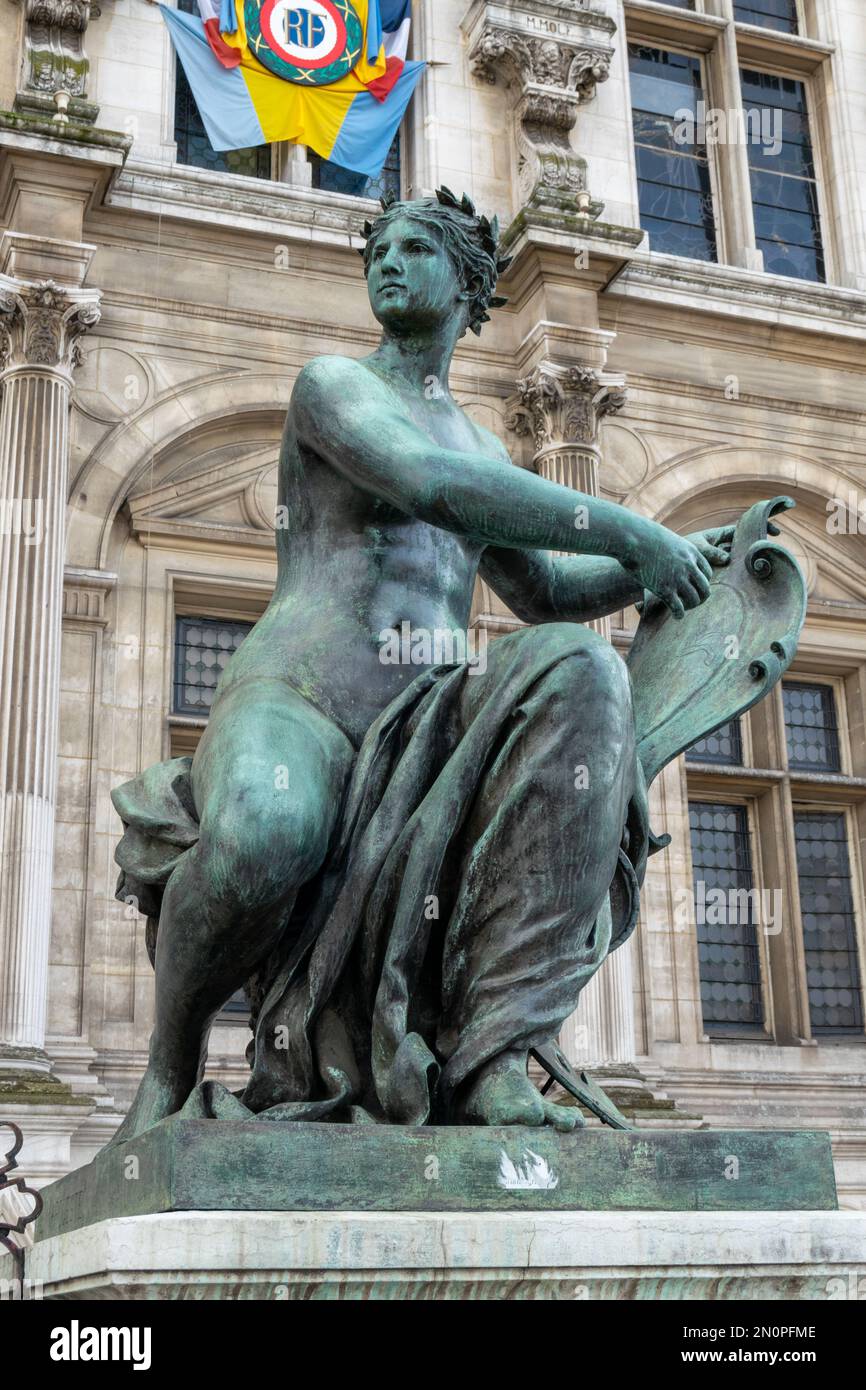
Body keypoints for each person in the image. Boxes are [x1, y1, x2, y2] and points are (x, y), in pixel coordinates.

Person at [111, 189, 732, 1142]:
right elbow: (428, 486)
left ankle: (493, 1055)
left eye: (414, 249)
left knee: (581, 670)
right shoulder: (335, 387)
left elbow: (552, 594)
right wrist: (635, 531)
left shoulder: (483, 442)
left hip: (422, 720)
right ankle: (170, 1062)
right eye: (378, 252)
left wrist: (690, 562)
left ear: (468, 286)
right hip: (302, 697)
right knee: (266, 833)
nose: (387, 264)